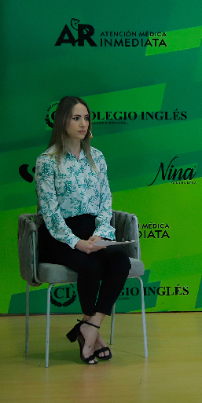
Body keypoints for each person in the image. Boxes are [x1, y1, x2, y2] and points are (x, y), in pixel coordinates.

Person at [34, 96, 131, 365]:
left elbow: (106, 201)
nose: (83, 124)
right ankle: (91, 333)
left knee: (120, 261)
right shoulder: (46, 161)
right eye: (76, 118)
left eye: (86, 118)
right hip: (59, 235)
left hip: (93, 230)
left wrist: (101, 233)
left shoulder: (97, 157)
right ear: (62, 121)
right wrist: (76, 242)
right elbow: (50, 212)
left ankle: (90, 327)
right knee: (91, 267)